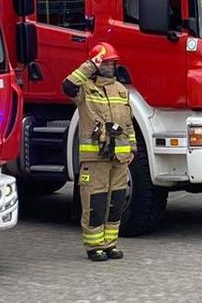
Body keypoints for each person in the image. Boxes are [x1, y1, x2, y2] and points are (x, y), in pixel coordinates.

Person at [64, 43, 132, 262]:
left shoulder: (121, 90)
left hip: (119, 159)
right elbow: (68, 85)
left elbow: (128, 124)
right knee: (96, 203)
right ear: (97, 65)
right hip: (95, 158)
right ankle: (94, 246)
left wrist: (132, 149)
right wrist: (90, 64)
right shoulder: (84, 89)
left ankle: (110, 244)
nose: (110, 67)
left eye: (112, 63)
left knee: (116, 203)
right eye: (106, 63)